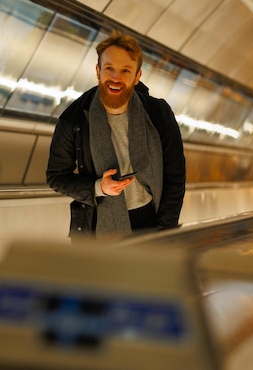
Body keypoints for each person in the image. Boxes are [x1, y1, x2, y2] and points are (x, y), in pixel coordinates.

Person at [46, 30, 186, 241]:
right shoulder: (74, 119)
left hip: (149, 221)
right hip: (96, 227)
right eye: (109, 68)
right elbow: (56, 176)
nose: (115, 78)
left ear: (137, 76)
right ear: (98, 71)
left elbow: (175, 176)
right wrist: (97, 187)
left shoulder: (158, 114)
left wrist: (165, 231)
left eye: (125, 71)